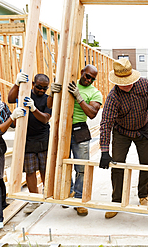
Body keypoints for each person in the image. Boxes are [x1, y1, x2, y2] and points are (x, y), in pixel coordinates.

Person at [99, 58, 148, 219]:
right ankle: (116, 201)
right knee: (117, 165)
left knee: (146, 163)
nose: (126, 84)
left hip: (143, 129)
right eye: (122, 82)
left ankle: (143, 195)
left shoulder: (144, 84)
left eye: (128, 81)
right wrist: (104, 151)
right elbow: (106, 123)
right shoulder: (113, 97)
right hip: (122, 132)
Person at [50, 64, 102, 217]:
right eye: (87, 76)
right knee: (63, 164)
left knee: (81, 168)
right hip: (63, 129)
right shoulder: (69, 83)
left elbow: (92, 114)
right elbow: (50, 106)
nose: (89, 80)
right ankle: (69, 193)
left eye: (92, 79)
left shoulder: (95, 92)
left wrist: (79, 98)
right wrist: (52, 93)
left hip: (80, 130)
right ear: (82, 73)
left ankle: (79, 199)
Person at [8, 73, 52, 214]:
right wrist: (16, 84)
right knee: (30, 170)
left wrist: (34, 109)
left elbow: (45, 118)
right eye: (39, 87)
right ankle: (34, 199)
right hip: (27, 138)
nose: (41, 90)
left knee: (45, 168)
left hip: (43, 138)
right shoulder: (24, 94)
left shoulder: (47, 99)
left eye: (44, 88)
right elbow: (10, 99)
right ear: (33, 84)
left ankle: (48, 194)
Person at [0, 82, 26, 229]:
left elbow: (13, 125)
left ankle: (2, 205)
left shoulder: (2, 106)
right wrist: (12, 117)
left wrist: (19, 115)